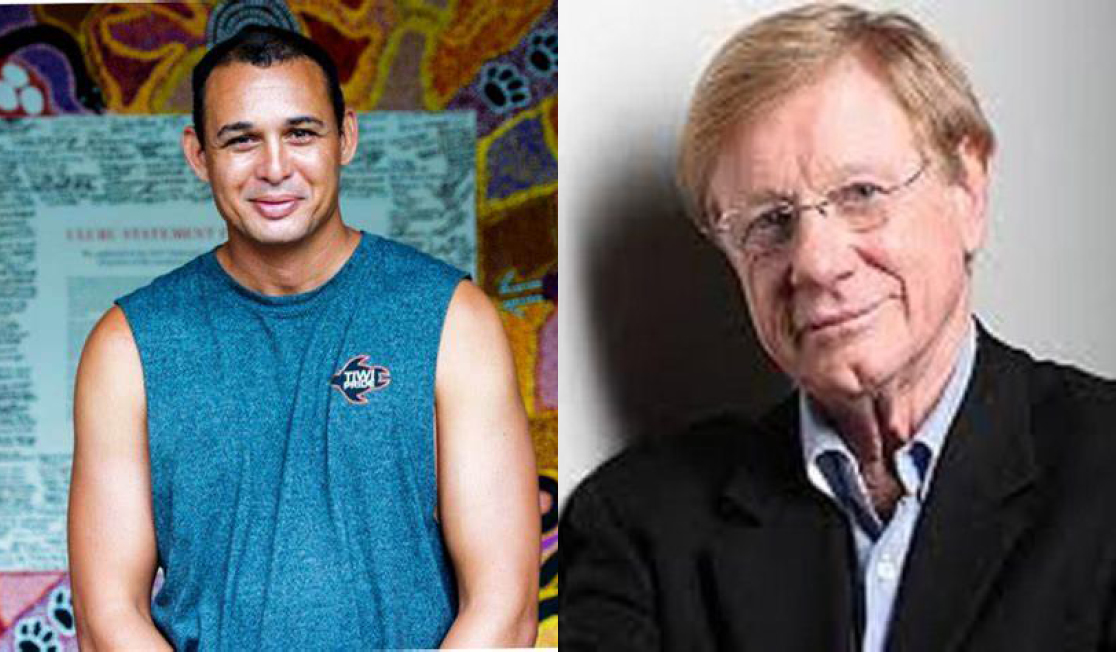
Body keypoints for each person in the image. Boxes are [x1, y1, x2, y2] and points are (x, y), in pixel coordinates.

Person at [561, 3, 1116, 651]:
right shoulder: (639, 528)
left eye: (861, 194)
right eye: (770, 222)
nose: (818, 264)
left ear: (968, 189)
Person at [68, 26, 539, 650]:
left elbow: (504, 608)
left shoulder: (452, 319)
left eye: (301, 133)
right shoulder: (128, 346)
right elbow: (107, 618)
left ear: (345, 136)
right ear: (198, 154)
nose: (274, 167)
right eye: (241, 140)